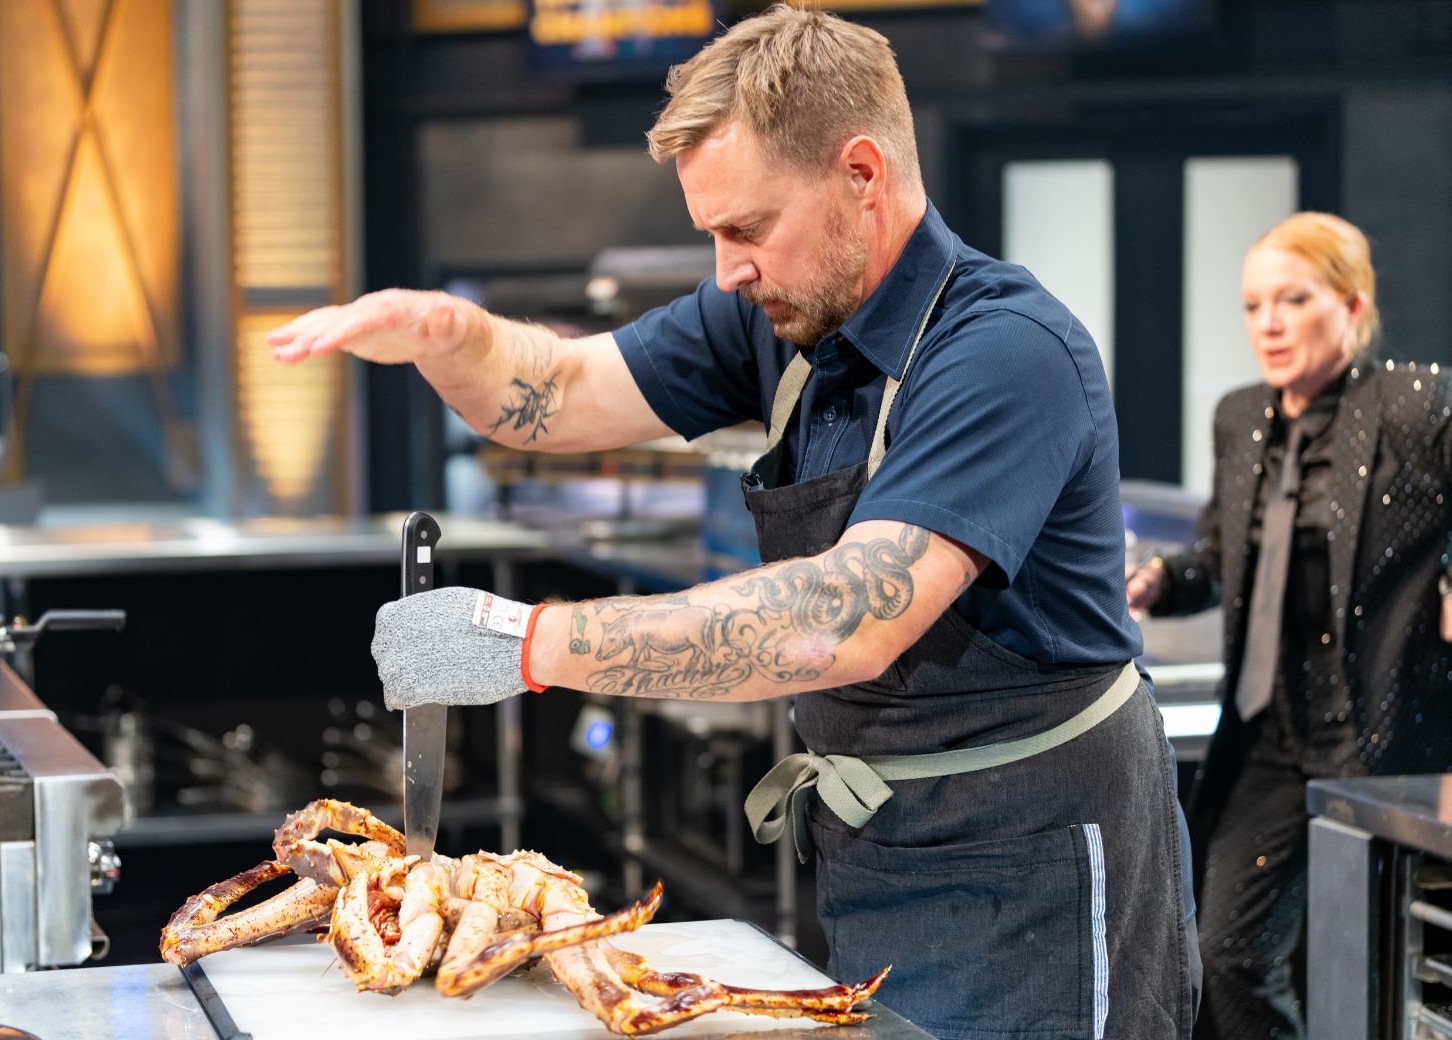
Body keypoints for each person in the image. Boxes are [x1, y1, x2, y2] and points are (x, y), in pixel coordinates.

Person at [271, 7, 1194, 1036]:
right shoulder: (781, 313)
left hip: (1042, 869)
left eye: (746, 228)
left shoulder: (1006, 351)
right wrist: (448, 336)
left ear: (861, 174)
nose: (726, 270)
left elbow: (845, 614)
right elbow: (568, 388)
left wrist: (523, 642)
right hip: (883, 844)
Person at [1127, 211, 1452, 1039]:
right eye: (1252, 305)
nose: (1267, 324)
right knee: (1226, 952)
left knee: (1376, 967)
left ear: (1351, 305)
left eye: (1292, 300)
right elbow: (1220, 551)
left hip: (1384, 741)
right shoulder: (1241, 417)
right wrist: (1164, 579)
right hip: (1269, 737)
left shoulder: (1415, 403)